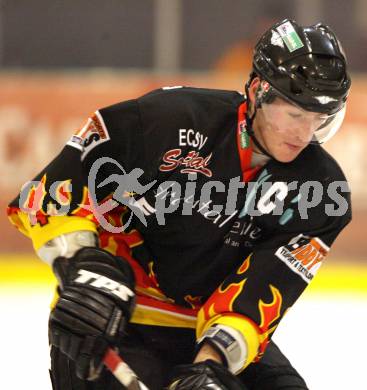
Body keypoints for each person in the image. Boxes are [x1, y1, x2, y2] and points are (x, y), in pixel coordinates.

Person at [7, 19, 351, 390]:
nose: (305, 134)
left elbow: (262, 291)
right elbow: (52, 192)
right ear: (257, 92)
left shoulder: (322, 189)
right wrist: (78, 266)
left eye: (319, 118)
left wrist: (211, 364)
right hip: (116, 313)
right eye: (296, 114)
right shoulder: (167, 120)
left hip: (205, 325)